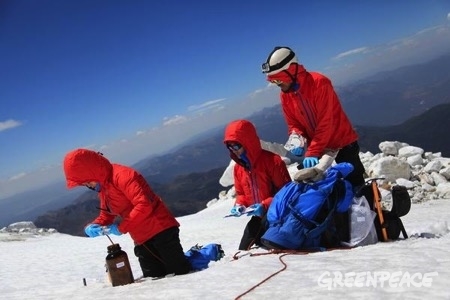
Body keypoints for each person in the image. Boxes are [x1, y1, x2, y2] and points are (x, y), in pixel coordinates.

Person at [62, 148, 191, 278]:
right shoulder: (105, 187)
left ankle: (200, 255)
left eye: (88, 181)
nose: (89, 186)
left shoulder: (123, 176)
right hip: (141, 239)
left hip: (161, 230)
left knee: (180, 274)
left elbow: (143, 205)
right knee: (154, 278)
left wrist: (121, 228)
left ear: (93, 171)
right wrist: (93, 226)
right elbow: (107, 214)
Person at [261, 46, 366, 190]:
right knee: (330, 190)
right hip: (318, 149)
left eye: (278, 80)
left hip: (341, 142)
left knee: (355, 183)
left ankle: (375, 210)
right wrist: (297, 139)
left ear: (291, 70)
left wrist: (312, 152)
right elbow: (294, 124)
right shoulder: (285, 95)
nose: (277, 85)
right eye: (274, 82)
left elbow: (326, 122)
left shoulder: (319, 83)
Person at [224, 119, 291, 250]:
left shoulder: (273, 161)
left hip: (278, 214)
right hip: (259, 216)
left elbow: (286, 193)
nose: (234, 150)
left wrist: (264, 205)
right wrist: (240, 205)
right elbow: (241, 193)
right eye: (230, 147)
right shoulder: (239, 168)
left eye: (236, 146)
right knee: (243, 249)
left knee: (268, 245)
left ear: (247, 142)